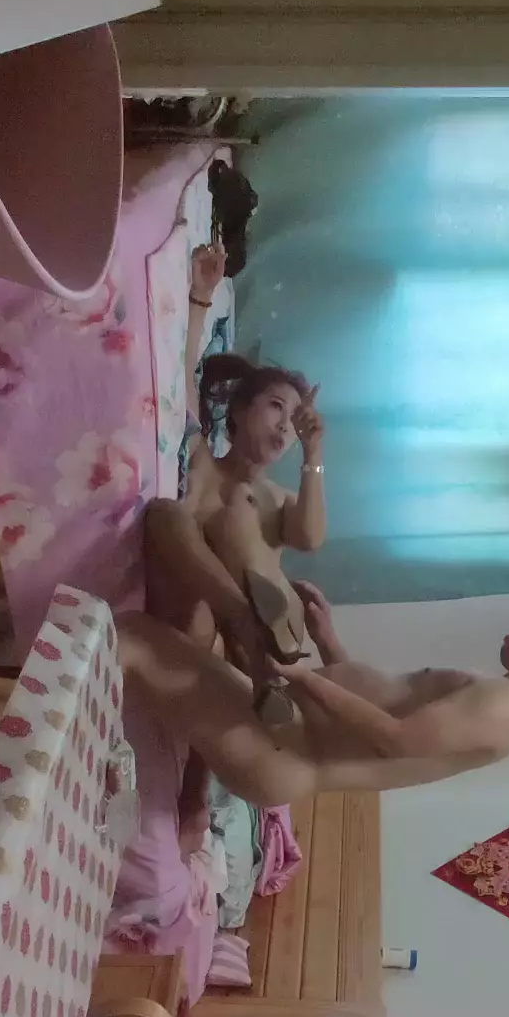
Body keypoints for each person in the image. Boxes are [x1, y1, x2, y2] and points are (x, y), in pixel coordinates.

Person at [117, 588, 509, 810]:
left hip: (284, 748)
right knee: (173, 641)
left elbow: (396, 740)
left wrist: (302, 677)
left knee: (136, 638)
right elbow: (387, 709)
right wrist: (328, 642)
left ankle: (62, 696)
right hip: (291, 737)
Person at [144, 241, 326, 718]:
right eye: (276, 407)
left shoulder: (279, 501)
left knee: (240, 511)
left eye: (295, 420)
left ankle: (259, 647)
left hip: (239, 659)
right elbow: (183, 377)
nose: (285, 425)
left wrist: (314, 452)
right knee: (168, 516)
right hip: (196, 631)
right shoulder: (201, 458)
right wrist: (201, 298)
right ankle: (250, 629)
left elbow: (311, 538)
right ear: (239, 413)